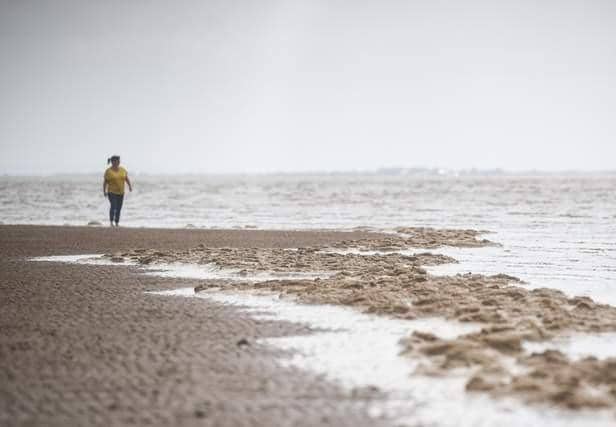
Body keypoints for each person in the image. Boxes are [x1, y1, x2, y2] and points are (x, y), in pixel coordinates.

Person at [103, 155, 132, 227]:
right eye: (117, 161)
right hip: (111, 192)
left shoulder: (123, 170)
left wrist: (130, 186)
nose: (118, 162)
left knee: (119, 207)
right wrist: (104, 191)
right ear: (112, 162)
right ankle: (111, 221)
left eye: (119, 161)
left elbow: (126, 178)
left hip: (121, 192)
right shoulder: (108, 171)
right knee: (113, 206)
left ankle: (116, 222)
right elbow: (105, 182)